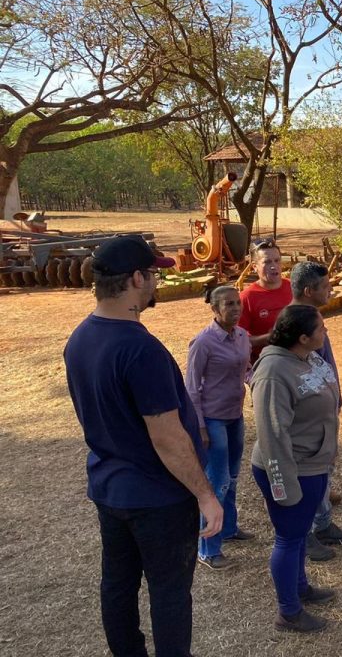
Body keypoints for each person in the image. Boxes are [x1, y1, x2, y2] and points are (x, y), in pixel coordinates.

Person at [64, 235, 223, 657]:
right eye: (152, 274)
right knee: (169, 593)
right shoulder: (139, 349)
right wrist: (206, 495)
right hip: (158, 499)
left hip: (110, 489)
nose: (155, 282)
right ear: (136, 279)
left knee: (117, 583)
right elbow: (167, 437)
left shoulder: (80, 338)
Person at [250, 305, 339, 633]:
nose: (325, 331)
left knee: (300, 532)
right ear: (302, 337)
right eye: (320, 328)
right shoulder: (273, 372)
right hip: (291, 469)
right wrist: (283, 485)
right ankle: (288, 612)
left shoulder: (308, 357)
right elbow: (272, 434)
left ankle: (300, 588)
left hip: (311, 465)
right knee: (288, 537)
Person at [289, 261, 342, 562]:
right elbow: (294, 370)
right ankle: (304, 535)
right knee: (306, 474)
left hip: (325, 410)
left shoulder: (312, 316)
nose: (331, 290)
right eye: (326, 286)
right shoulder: (294, 323)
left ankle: (323, 524)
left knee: (323, 470)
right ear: (309, 291)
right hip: (309, 416)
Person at [186, 285, 253, 570]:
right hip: (212, 419)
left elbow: (246, 368)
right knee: (218, 481)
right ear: (214, 310)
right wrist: (200, 427)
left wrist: (258, 381)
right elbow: (191, 387)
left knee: (233, 476)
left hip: (234, 416)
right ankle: (208, 549)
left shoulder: (242, 336)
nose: (235, 309)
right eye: (228, 304)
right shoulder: (203, 342)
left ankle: (229, 529)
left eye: (237, 303)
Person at [239, 238, 292, 361]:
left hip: (299, 360)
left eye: (277, 260)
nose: (274, 266)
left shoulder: (294, 287)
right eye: (267, 262)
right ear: (254, 267)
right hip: (266, 364)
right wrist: (268, 338)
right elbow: (237, 340)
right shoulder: (246, 297)